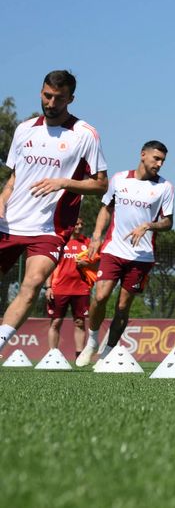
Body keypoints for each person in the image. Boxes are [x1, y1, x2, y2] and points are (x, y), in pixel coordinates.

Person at [0, 70, 109, 353]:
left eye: (59, 99)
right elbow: (14, 179)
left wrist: (63, 182)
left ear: (70, 99)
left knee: (33, 282)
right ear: (41, 92)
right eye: (47, 96)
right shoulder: (24, 129)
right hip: (8, 223)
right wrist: (1, 200)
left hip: (50, 228)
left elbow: (101, 184)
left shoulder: (85, 134)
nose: (51, 103)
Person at [77, 141, 174, 367]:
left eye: (162, 161)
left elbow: (168, 221)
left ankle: (106, 353)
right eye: (156, 159)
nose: (159, 164)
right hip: (113, 250)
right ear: (143, 155)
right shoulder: (119, 179)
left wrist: (149, 226)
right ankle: (91, 342)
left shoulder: (165, 187)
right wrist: (97, 236)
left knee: (122, 307)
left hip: (142, 257)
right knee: (100, 297)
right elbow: (106, 208)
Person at [43, 224, 96, 355]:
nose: (80, 226)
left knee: (79, 322)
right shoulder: (59, 241)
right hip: (59, 288)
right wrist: (48, 287)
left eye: (82, 223)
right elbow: (50, 265)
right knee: (56, 321)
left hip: (81, 288)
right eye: (77, 223)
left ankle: (79, 355)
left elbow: (98, 263)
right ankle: (52, 354)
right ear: (71, 225)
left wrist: (88, 263)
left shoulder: (88, 242)